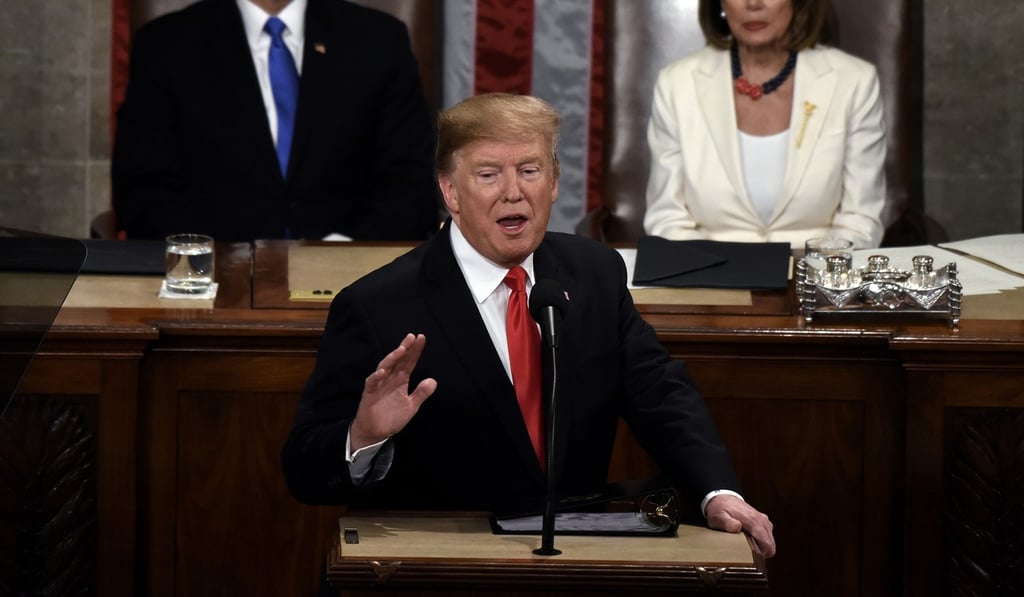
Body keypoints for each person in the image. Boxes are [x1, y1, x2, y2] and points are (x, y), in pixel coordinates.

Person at [281, 92, 776, 558]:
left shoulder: (595, 274)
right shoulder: (376, 305)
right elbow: (303, 470)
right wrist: (362, 437)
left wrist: (717, 491)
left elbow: (659, 393)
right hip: (444, 569)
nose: (513, 192)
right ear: (450, 191)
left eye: (530, 170)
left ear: (555, 182)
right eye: (489, 174)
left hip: (574, 561)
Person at [111, 0, 439, 242]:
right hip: (213, 291)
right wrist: (216, 257)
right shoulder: (167, 45)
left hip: (355, 290)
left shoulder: (379, 41)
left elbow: (411, 181)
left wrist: (343, 252)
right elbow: (143, 187)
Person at [644, 0, 886, 249]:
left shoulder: (854, 81)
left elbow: (860, 221)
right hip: (708, 276)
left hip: (815, 274)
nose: (753, 3)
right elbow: (667, 219)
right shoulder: (676, 84)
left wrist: (810, 274)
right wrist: (717, 273)